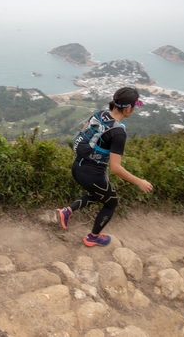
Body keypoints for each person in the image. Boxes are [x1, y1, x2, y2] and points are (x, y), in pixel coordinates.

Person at [56, 87, 153, 247]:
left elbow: (83, 134)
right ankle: (92, 237)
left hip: (77, 166)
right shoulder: (118, 133)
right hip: (92, 174)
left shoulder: (100, 114)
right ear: (128, 108)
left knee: (99, 195)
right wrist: (139, 182)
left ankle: (66, 212)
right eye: (134, 107)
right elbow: (116, 167)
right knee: (111, 203)